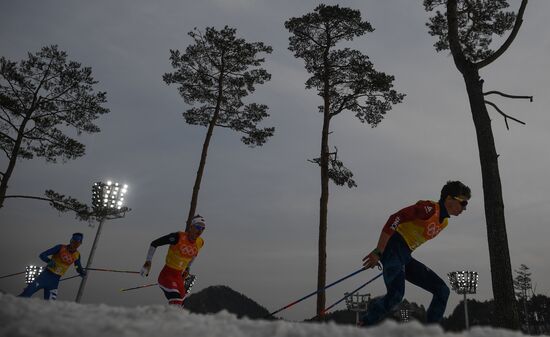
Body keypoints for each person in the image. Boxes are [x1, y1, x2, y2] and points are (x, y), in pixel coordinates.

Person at [360, 181, 471, 326]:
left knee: (442, 290)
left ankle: (430, 333)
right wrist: (379, 250)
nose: (464, 208)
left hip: (405, 256)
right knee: (396, 295)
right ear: (449, 199)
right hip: (393, 249)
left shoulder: (444, 223)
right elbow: (396, 218)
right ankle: (364, 324)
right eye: (463, 203)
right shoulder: (430, 209)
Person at [140, 214, 206, 306]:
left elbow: (194, 255)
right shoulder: (177, 237)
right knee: (176, 299)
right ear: (191, 227)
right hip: (167, 276)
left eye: (203, 228)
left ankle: (169, 319)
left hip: (178, 277)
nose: (200, 231)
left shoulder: (200, 242)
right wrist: (148, 262)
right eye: (198, 227)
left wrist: (187, 268)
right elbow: (154, 243)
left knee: (181, 303)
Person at [19, 233, 86, 300]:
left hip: (54, 282)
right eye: (73, 242)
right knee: (25, 295)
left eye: (77, 243)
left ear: (80, 244)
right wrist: (49, 261)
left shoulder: (77, 255)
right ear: (71, 241)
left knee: (50, 305)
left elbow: (77, 266)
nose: (74, 245)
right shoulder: (60, 247)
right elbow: (42, 255)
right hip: (44, 276)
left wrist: (81, 271)